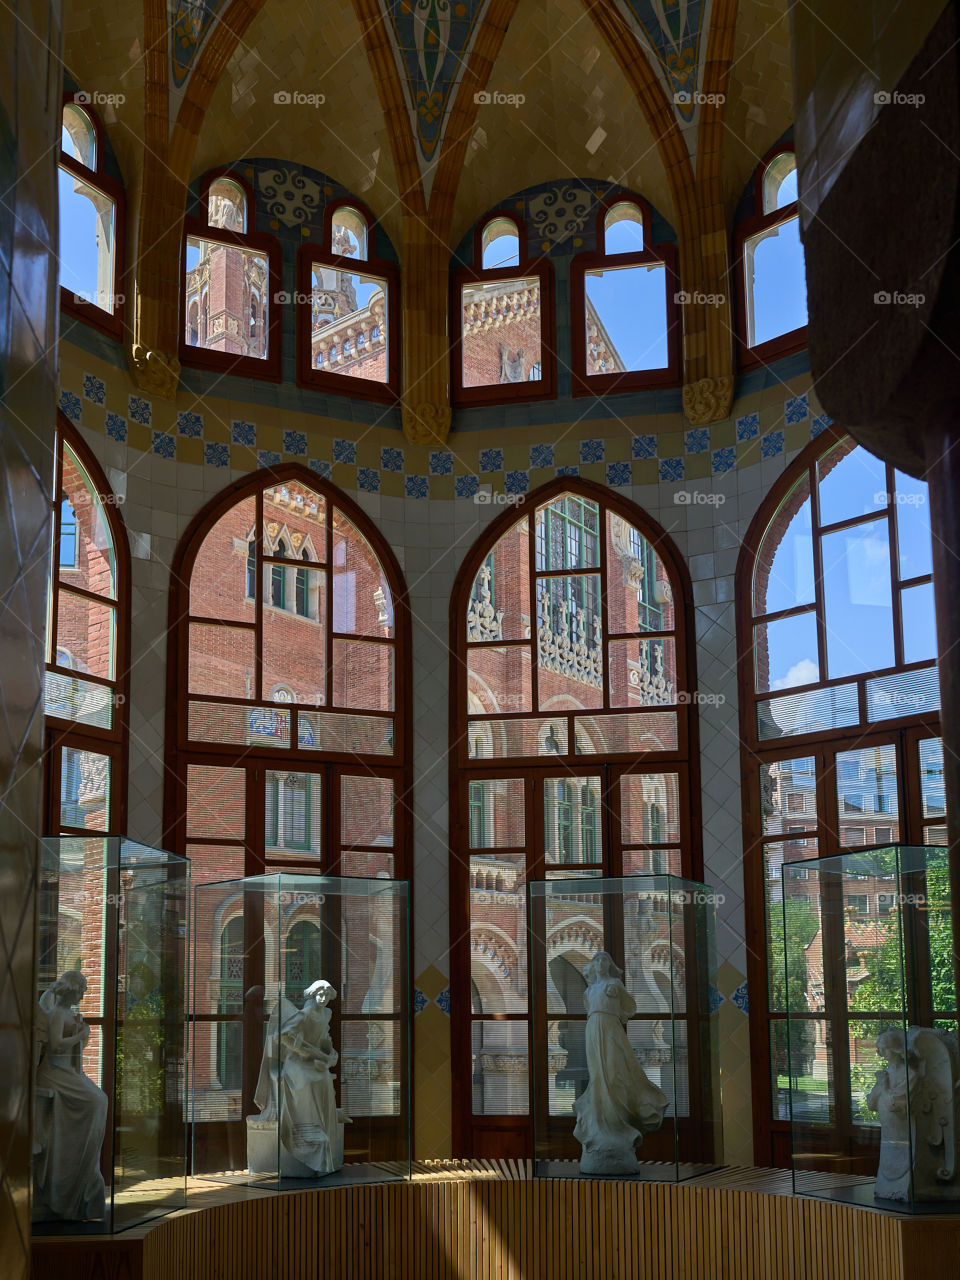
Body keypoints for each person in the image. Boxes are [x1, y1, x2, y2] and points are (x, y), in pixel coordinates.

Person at [573, 951, 668, 1175]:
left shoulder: (615, 984)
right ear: (592, 966)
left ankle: (619, 1127)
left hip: (611, 1031)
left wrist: (617, 1000)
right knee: (597, 1078)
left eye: (604, 959)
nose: (600, 963)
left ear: (610, 965)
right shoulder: (589, 991)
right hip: (593, 1032)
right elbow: (590, 1009)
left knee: (615, 1076)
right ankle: (599, 1127)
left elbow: (630, 1008)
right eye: (596, 960)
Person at [34, 971, 108, 1220]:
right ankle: (74, 1166)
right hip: (54, 1073)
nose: (83, 994)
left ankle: (84, 1167)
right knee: (97, 1101)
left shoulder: (66, 1014)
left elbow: (71, 1046)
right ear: (71, 990)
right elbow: (54, 1046)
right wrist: (79, 1035)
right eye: (81, 990)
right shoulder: (55, 1013)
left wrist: (80, 1035)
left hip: (67, 1072)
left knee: (99, 1100)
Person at [276, 979, 349, 1174]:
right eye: (320, 994)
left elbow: (325, 1039)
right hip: (296, 1062)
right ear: (313, 994)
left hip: (314, 1060)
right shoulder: (305, 1014)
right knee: (308, 1082)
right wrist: (301, 1050)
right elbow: (281, 1036)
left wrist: (331, 1052)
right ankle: (306, 1130)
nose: (323, 998)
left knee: (324, 1079)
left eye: (326, 995)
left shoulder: (327, 1014)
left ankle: (323, 1127)